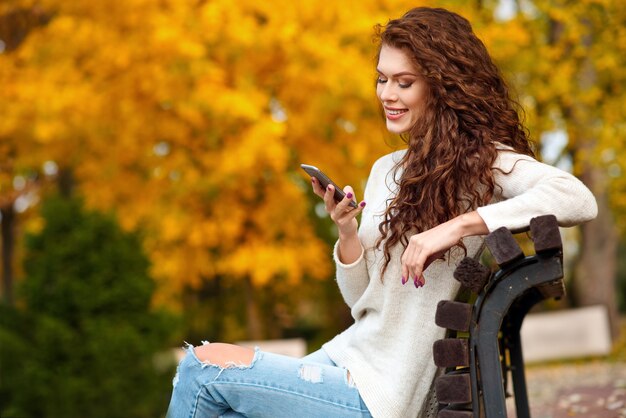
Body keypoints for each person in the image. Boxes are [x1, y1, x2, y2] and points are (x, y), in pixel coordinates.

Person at [166, 7, 597, 418]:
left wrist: (457, 226)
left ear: (441, 85)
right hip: (342, 361)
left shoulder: (482, 164)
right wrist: (348, 233)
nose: (387, 95)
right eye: (382, 79)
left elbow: (576, 197)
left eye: (404, 82)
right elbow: (363, 303)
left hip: (378, 394)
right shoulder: (385, 170)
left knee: (201, 368)